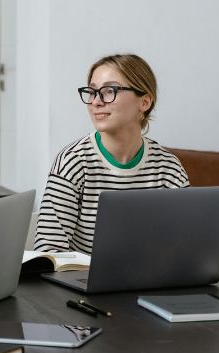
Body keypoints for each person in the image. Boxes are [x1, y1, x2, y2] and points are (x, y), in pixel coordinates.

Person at [34, 54, 190, 254]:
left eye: (110, 91)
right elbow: (49, 252)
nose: (96, 102)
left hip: (150, 282)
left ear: (144, 102)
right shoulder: (72, 162)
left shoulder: (168, 168)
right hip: (79, 282)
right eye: (92, 92)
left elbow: (184, 246)